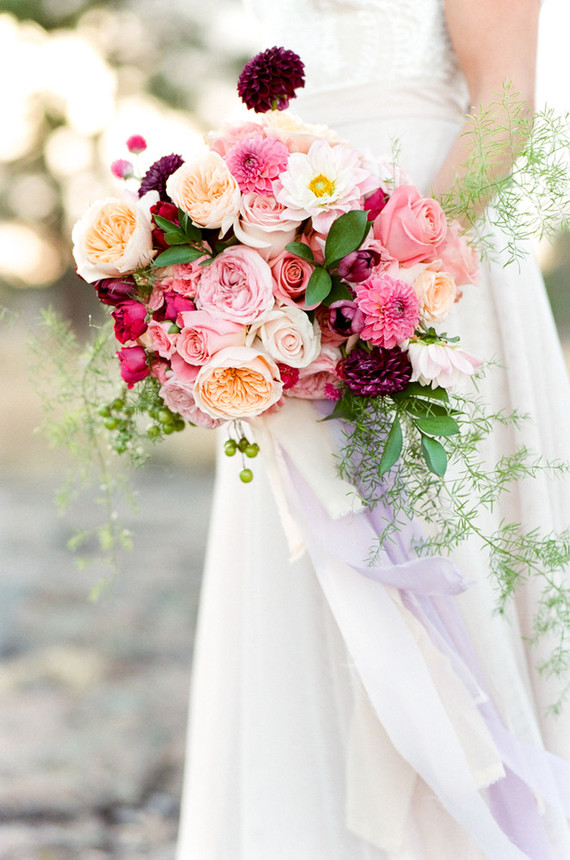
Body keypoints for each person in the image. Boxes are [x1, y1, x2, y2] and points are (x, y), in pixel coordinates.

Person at [176, 1, 570, 856]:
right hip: (296, 257)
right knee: (314, 546)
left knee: (446, 522)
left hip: (430, 256)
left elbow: (505, 101)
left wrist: (400, 276)